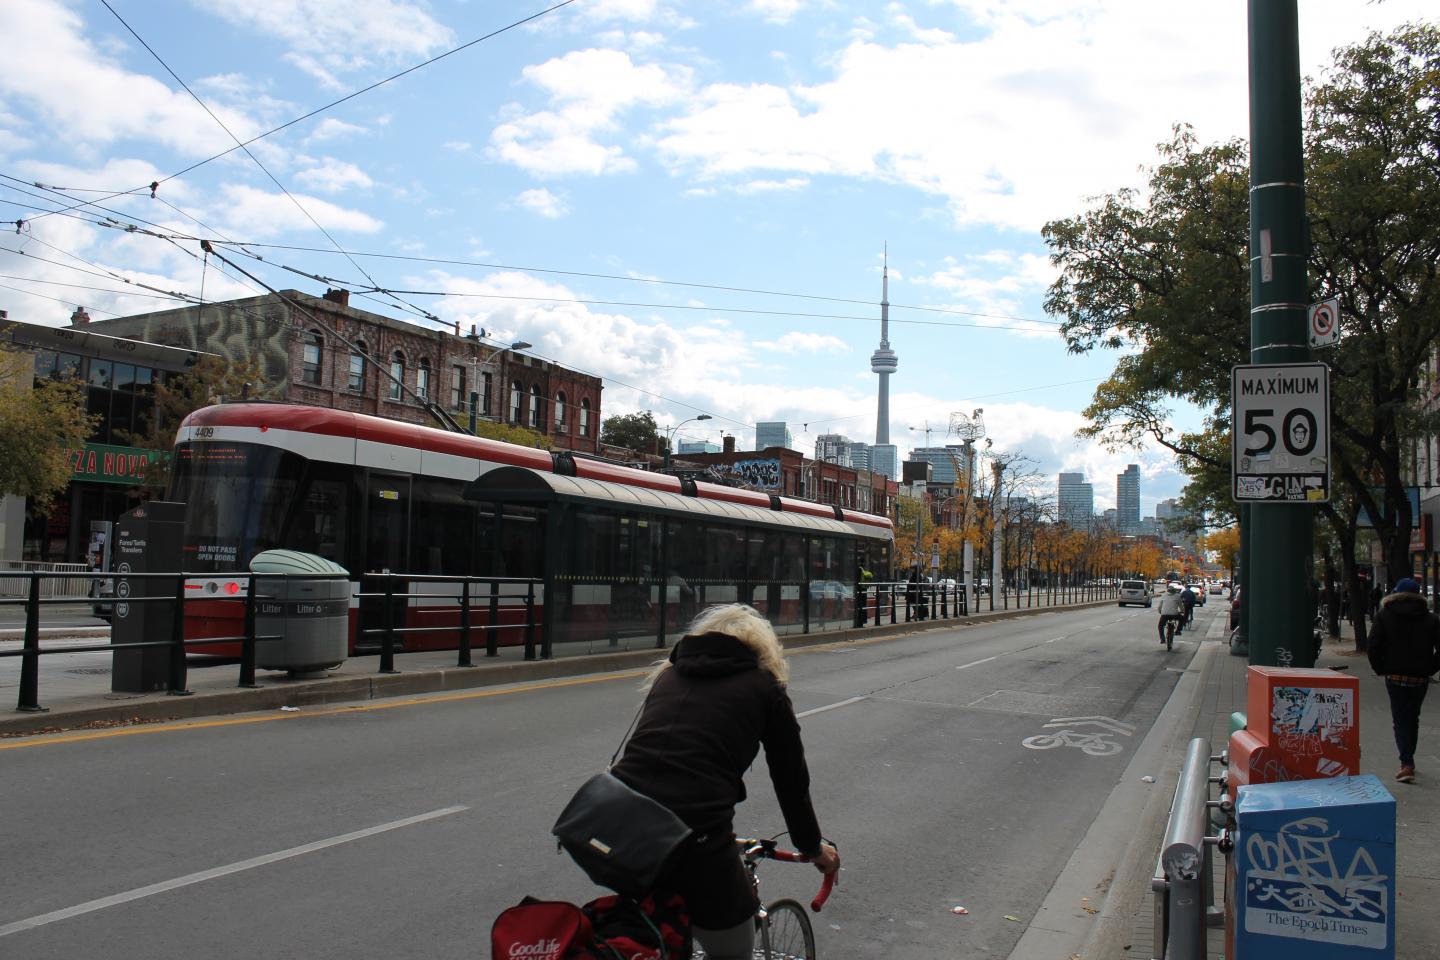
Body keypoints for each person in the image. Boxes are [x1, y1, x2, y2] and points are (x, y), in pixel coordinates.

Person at [611, 605, 841, 959]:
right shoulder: (765, 688)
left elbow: (658, 762)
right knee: (733, 949)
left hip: (621, 829)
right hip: (696, 838)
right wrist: (813, 849)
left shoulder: (668, 677)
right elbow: (791, 783)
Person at [1367, 578, 1440, 784]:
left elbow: (1373, 646)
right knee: (1413, 717)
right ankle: (1409, 760)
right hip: (1419, 678)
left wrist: (1380, 668)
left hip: (1395, 676)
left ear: (1396, 594)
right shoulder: (1431, 619)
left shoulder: (1384, 615)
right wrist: (1429, 669)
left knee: (1400, 719)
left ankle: (1406, 763)